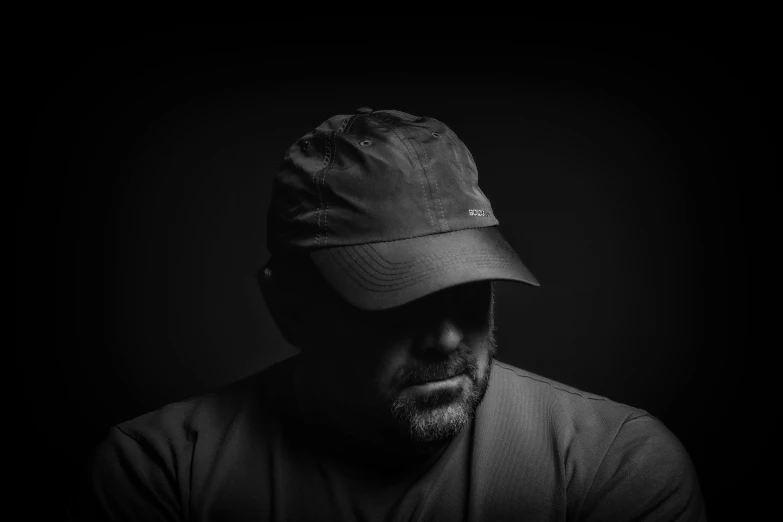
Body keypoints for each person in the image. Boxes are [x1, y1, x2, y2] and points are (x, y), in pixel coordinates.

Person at [68, 107, 706, 521]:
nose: (448, 336)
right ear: (291, 306)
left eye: (467, 288)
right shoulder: (163, 472)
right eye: (398, 299)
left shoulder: (612, 466)